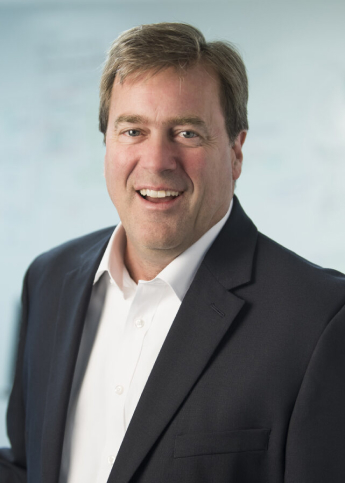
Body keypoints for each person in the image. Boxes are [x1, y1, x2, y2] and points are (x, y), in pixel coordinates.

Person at [1, 22, 345, 483]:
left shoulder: (319, 319)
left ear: (236, 151)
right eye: (132, 131)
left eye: (186, 133)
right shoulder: (48, 279)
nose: (157, 161)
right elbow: (28, 465)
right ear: (106, 143)